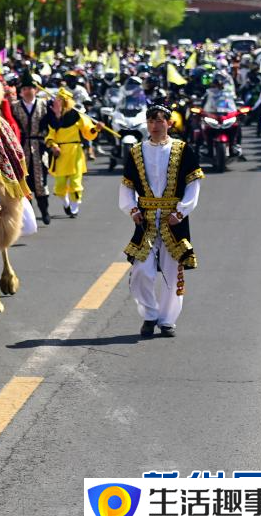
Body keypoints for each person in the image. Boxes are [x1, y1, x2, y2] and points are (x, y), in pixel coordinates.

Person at [119, 103, 203, 338]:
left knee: (171, 270)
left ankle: (167, 320)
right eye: (151, 121)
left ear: (169, 123)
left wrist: (181, 211)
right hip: (145, 219)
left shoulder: (183, 149)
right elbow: (127, 185)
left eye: (159, 120)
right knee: (141, 271)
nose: (155, 125)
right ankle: (149, 314)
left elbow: (193, 184)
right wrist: (131, 209)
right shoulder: (136, 151)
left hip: (173, 219)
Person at [46, 87, 99, 219]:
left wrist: (95, 129)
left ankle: (75, 208)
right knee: (60, 185)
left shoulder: (78, 115)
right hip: (60, 154)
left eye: (62, 100)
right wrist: (53, 146)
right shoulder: (53, 119)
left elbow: (88, 131)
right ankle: (66, 204)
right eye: (58, 100)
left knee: (76, 183)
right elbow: (49, 136)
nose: (59, 102)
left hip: (75, 152)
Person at [11, 72, 54, 224]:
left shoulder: (44, 104)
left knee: (41, 181)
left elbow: (54, 123)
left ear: (35, 90)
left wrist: (57, 110)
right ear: (21, 91)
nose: (28, 91)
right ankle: (28, 218)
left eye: (31, 88)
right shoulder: (15, 107)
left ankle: (44, 211)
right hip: (21, 148)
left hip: (39, 147)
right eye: (25, 88)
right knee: (25, 182)